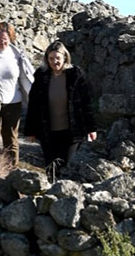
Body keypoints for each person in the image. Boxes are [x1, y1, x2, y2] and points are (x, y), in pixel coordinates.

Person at [25, 40, 97, 177]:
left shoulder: (75, 75)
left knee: (66, 165)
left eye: (58, 58)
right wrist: (30, 131)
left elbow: (85, 103)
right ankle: (52, 195)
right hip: (48, 131)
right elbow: (33, 105)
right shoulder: (41, 76)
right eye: (51, 58)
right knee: (51, 167)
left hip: (72, 131)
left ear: (65, 57)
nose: (55, 62)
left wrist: (91, 128)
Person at [0, 21, 34, 167]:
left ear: (11, 38)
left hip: (13, 102)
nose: (2, 41)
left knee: (11, 139)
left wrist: (34, 98)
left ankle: (11, 170)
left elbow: (25, 78)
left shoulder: (17, 55)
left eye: (5, 39)